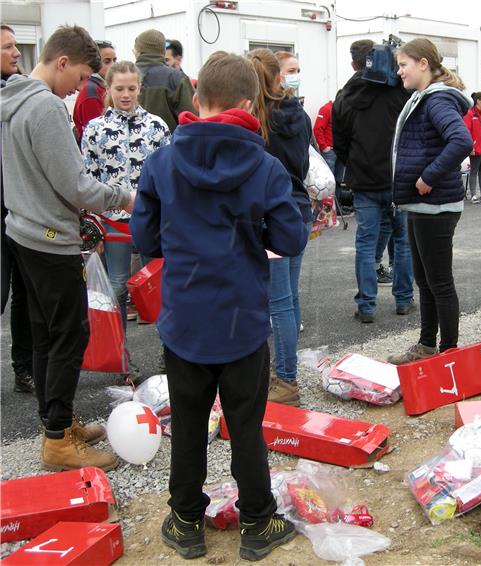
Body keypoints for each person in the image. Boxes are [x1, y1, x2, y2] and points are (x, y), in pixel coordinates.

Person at [130, 51, 306, 561]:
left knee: (187, 425)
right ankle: (257, 522)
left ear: (197, 96)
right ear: (249, 103)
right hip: (242, 320)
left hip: (184, 317)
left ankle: (186, 519)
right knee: (246, 425)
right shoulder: (264, 165)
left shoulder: (162, 160)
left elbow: (146, 237)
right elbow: (290, 238)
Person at [2, 25, 134, 471]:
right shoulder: (44, 107)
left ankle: (55, 421)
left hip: (23, 231)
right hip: (50, 240)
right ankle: (58, 441)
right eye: (79, 78)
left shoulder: (12, 98)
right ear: (62, 62)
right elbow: (75, 185)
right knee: (68, 335)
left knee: (45, 335)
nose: (80, 89)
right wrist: (123, 196)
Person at [81, 60, 170, 379]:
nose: (126, 94)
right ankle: (122, 360)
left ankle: (169, 353)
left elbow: (170, 174)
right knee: (117, 289)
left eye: (132, 88)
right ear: (108, 89)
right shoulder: (94, 129)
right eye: (119, 89)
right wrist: (90, 227)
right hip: (113, 222)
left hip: (153, 221)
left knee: (158, 289)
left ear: (140, 88)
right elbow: (87, 179)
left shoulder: (157, 126)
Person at [387, 38, 472, 365]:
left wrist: (428, 177)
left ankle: (449, 353)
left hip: (436, 206)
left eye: (404, 65)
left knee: (439, 282)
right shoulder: (424, 99)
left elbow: (461, 141)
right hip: (422, 207)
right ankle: (426, 345)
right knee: (425, 280)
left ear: (424, 64)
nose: (399, 72)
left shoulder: (436, 101)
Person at [248, 48, 313, 406]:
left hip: (269, 213)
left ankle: (285, 378)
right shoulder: (298, 113)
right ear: (278, 77)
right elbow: (302, 163)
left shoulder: (257, 118)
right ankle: (286, 371)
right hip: (298, 209)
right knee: (289, 298)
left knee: (278, 301)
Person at [332, 39, 414, 324]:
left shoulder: (347, 95)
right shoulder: (403, 94)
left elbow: (339, 143)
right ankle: (403, 299)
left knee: (365, 244)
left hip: (364, 182)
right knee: (403, 242)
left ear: (358, 64)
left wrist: (354, 163)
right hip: (399, 180)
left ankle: (366, 305)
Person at [1, 24, 34, 394]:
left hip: (22, 210)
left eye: (15, 45)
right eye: (8, 47)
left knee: (26, 293)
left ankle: (24, 369)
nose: (15, 52)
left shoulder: (24, 93)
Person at [134, 29, 195, 131]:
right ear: (163, 51)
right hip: (169, 144)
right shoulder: (176, 78)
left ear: (138, 51)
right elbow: (192, 118)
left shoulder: (122, 75)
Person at [73, 40, 116, 142]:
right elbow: (96, 135)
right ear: (94, 63)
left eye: (115, 60)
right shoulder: (92, 93)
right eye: (107, 61)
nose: (113, 65)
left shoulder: (101, 86)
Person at [464, 91, 481, 204]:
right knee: (474, 171)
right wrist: (471, 146)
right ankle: (473, 195)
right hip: (476, 149)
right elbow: (466, 131)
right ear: (478, 101)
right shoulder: (470, 114)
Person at [314, 99, 335, 172]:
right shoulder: (326, 109)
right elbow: (317, 129)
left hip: (340, 151)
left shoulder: (341, 111)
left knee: (338, 180)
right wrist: (324, 147)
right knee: (329, 180)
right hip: (330, 152)